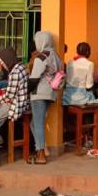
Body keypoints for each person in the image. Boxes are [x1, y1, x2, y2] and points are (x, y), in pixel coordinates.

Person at [28, 31, 62, 165]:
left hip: (39, 93)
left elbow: (34, 78)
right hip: (51, 93)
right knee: (34, 123)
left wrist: (25, 90)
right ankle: (43, 149)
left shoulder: (41, 57)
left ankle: (41, 154)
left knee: (38, 123)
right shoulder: (56, 56)